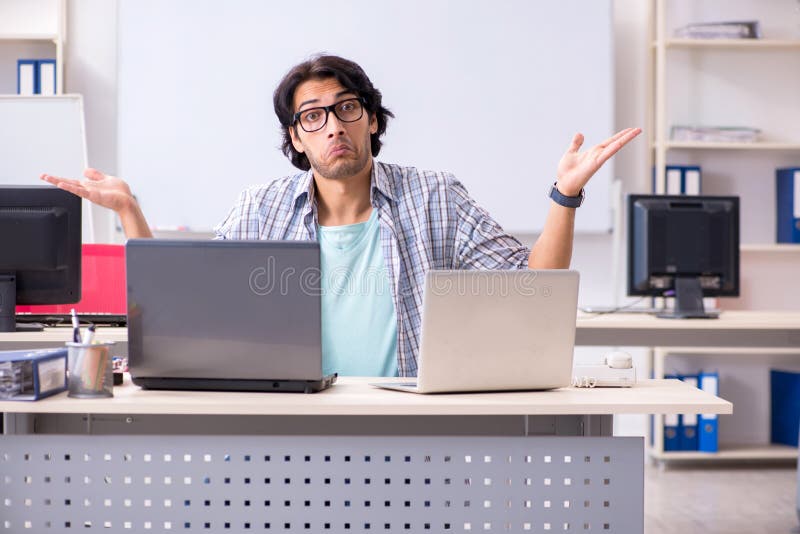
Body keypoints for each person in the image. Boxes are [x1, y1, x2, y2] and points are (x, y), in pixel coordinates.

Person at [42, 54, 641, 377]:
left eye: (347, 108)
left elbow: (533, 289)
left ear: (373, 120)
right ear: (296, 139)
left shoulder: (435, 196)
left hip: (412, 424)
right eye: (312, 116)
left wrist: (563, 197)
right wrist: (131, 213)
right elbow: (185, 311)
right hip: (288, 421)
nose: (333, 126)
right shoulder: (263, 207)